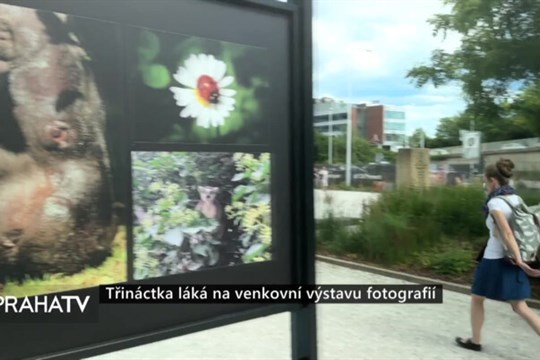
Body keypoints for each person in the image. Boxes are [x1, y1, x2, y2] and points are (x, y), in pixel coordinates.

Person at [456, 158, 540, 352]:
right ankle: (475, 340)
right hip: (513, 260)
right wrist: (521, 259)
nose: (485, 186)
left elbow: (507, 232)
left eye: (485, 181)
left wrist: (519, 260)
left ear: (493, 181)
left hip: (495, 260)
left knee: (477, 298)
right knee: (520, 306)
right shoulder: (516, 198)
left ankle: (475, 341)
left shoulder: (495, 203)